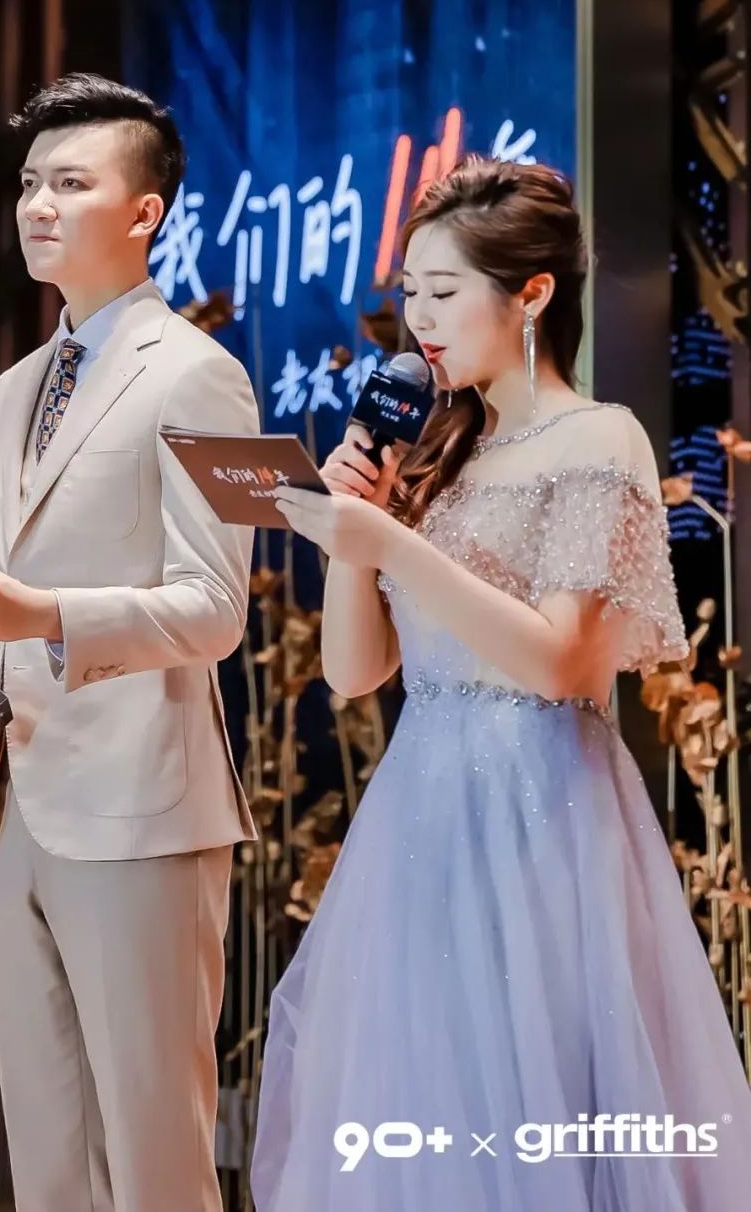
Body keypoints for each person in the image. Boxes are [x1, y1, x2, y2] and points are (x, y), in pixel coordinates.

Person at [250, 157, 751, 1210]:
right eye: (410, 295)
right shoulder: (441, 453)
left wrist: (391, 540)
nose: (419, 321)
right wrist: (355, 535)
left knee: (542, 1108)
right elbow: (355, 672)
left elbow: (563, 660)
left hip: (545, 814)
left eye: (443, 292)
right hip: (419, 822)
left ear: (533, 294)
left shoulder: (599, 438)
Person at [0, 72, 259, 1212]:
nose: (37, 206)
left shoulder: (201, 372)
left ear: (144, 211)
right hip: (12, 807)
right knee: (51, 1163)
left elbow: (215, 609)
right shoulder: (17, 387)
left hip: (141, 807)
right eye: (29, 183)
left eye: (70, 183)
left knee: (153, 1157)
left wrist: (47, 616)